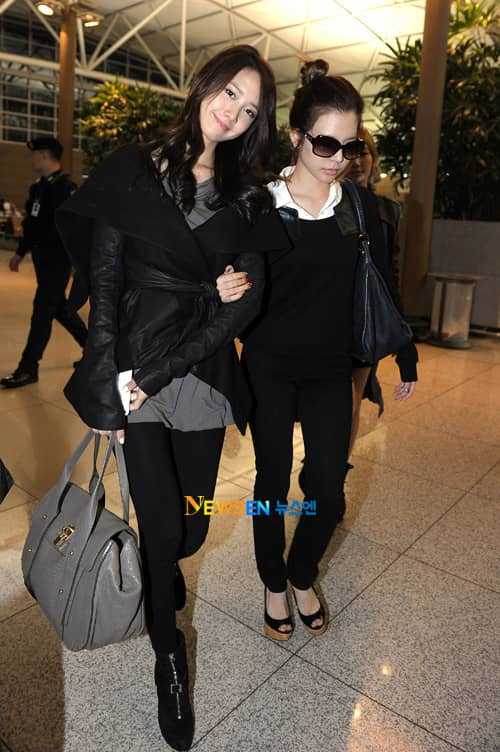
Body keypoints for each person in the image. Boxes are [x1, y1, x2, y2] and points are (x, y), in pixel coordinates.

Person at [55, 45, 289, 751]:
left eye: (250, 109)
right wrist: (111, 384)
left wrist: (165, 364)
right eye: (230, 92)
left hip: (200, 373)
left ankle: (168, 574)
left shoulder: (246, 196)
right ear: (205, 83)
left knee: (189, 530)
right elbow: (104, 284)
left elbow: (246, 303)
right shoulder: (134, 168)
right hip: (133, 369)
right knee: (161, 532)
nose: (234, 112)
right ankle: (169, 659)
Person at [229, 59, 418, 642]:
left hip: (332, 368)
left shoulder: (359, 207)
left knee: (329, 491)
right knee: (271, 483)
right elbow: (225, 276)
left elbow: (379, 282)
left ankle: (302, 572)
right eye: (325, 143)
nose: (339, 157)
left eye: (350, 145)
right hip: (269, 365)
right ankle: (272, 581)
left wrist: (404, 351)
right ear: (296, 135)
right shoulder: (260, 204)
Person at [297, 125, 419, 507]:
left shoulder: (387, 211)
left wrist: (405, 346)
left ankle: (332, 478)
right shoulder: (326, 203)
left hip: (365, 323)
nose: (360, 158)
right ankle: (319, 468)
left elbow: (388, 277)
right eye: (352, 150)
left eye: (364, 150)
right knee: (328, 404)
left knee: (350, 404)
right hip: (326, 323)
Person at [0, 138, 87, 389]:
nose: (32, 159)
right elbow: (32, 225)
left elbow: (72, 229)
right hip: (42, 261)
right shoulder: (39, 187)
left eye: (35, 154)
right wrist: (20, 252)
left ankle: (28, 368)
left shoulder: (65, 189)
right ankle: (94, 350)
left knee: (42, 313)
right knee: (60, 309)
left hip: (57, 262)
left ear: (46, 156)